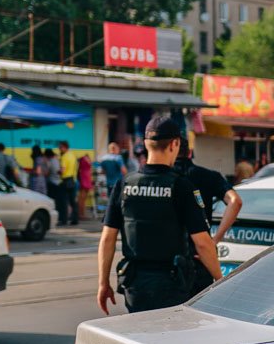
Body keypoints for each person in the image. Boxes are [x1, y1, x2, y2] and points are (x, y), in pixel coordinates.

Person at [97, 117, 220, 314]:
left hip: (135, 284)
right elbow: (203, 243)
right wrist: (220, 281)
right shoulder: (182, 187)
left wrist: (103, 283)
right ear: (175, 144)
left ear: (146, 144)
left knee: (140, 338)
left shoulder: (125, 184)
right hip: (171, 284)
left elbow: (107, 238)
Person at [174, 135, 244, 295]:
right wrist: (215, 240)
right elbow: (235, 202)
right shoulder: (208, 176)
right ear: (190, 152)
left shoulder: (163, 179)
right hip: (200, 258)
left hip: (167, 263)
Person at [57, 141, 79, 225]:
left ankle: (63, 220)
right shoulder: (72, 155)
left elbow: (62, 170)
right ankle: (75, 219)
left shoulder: (64, 156)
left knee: (63, 201)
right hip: (73, 180)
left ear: (64, 147)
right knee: (73, 201)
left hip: (65, 180)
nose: (59, 149)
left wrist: (58, 172)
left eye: (60, 147)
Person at [46, 148, 68, 224]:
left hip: (53, 184)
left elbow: (47, 173)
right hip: (60, 183)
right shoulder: (57, 160)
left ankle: (58, 219)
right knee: (62, 202)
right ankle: (63, 219)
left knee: (55, 203)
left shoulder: (50, 162)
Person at [76, 153, 93, 219]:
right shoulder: (83, 160)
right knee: (82, 199)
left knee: (83, 199)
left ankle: (82, 214)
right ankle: (81, 214)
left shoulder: (83, 160)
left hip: (85, 179)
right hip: (84, 179)